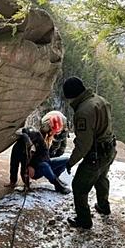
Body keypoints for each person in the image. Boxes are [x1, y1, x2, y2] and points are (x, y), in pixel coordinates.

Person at [63, 76, 116, 229]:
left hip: (96, 154)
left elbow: (83, 144)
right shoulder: (100, 100)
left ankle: (84, 220)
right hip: (109, 149)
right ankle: (103, 206)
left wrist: (71, 162)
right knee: (101, 178)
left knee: (79, 186)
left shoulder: (83, 112)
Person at [26, 110, 70, 194]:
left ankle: (54, 177)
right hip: (37, 167)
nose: (55, 133)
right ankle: (57, 185)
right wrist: (28, 168)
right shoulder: (39, 136)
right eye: (53, 131)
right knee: (44, 165)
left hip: (46, 160)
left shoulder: (62, 126)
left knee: (67, 160)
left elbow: (61, 145)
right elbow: (27, 156)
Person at [6, 123, 37, 190]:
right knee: (14, 167)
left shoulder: (34, 136)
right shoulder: (23, 132)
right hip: (17, 151)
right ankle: (13, 182)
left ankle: (26, 184)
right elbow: (18, 133)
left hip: (24, 152)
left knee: (24, 169)